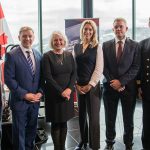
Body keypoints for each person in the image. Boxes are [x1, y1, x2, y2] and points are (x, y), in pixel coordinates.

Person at [102, 17, 140, 150]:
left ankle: (128, 144)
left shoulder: (135, 45)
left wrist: (121, 82)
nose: (118, 29)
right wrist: (114, 82)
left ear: (126, 28)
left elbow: (136, 67)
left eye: (121, 26)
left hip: (128, 88)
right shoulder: (105, 45)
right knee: (109, 118)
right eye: (116, 27)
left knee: (128, 119)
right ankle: (109, 142)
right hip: (110, 87)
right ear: (113, 29)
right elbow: (104, 66)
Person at [4, 26, 43, 150]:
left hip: (35, 102)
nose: (27, 38)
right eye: (24, 36)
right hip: (20, 101)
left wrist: (40, 93)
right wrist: (25, 94)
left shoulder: (38, 54)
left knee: (31, 131)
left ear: (33, 37)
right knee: (19, 133)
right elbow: (9, 79)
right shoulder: (11, 55)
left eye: (30, 36)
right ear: (19, 37)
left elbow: (42, 77)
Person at [42, 31, 76, 150]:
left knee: (64, 121)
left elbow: (74, 74)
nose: (58, 42)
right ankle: (57, 148)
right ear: (52, 42)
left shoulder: (69, 55)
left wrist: (69, 89)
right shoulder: (47, 56)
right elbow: (48, 76)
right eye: (55, 40)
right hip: (54, 95)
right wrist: (61, 91)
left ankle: (63, 147)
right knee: (56, 122)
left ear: (64, 41)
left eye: (60, 39)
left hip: (67, 94)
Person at [73, 20, 103, 150]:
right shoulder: (76, 47)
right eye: (85, 29)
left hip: (93, 87)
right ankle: (83, 141)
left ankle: (94, 145)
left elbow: (99, 68)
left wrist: (90, 85)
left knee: (94, 118)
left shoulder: (97, 46)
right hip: (79, 86)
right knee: (82, 116)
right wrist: (76, 84)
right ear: (82, 31)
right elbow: (73, 67)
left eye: (90, 29)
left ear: (94, 31)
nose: (88, 31)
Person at [139, 17, 150, 150]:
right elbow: (139, 68)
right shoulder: (143, 44)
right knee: (147, 121)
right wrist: (139, 86)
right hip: (148, 89)